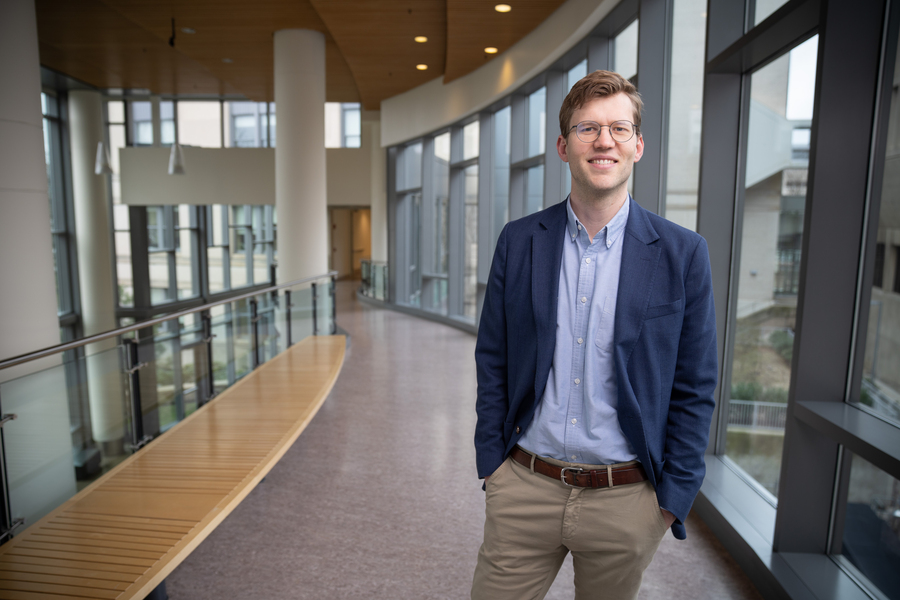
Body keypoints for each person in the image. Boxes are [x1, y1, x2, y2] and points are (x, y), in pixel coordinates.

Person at [471, 70, 718, 600]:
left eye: (619, 128)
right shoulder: (519, 241)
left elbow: (695, 385)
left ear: (637, 146)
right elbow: (493, 357)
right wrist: (493, 465)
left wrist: (670, 499)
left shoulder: (683, 254)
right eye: (587, 128)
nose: (604, 141)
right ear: (564, 147)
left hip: (627, 501)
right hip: (524, 487)